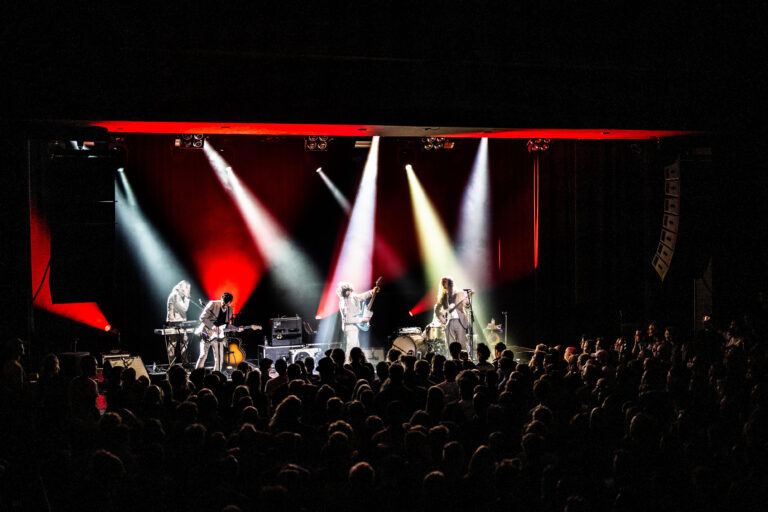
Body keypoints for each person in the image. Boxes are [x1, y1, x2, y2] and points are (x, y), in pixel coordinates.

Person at [196, 292, 242, 372]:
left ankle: (216, 375)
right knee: (203, 355)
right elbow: (202, 318)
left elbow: (227, 325)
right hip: (207, 332)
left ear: (230, 303)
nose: (224, 306)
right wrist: (214, 327)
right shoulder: (212, 304)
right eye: (223, 303)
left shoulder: (230, 309)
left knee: (219, 358)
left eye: (226, 304)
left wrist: (236, 328)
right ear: (221, 299)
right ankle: (197, 374)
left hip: (218, 336)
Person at [337, 281, 380, 357]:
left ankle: (353, 364)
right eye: (348, 290)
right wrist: (362, 319)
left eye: (350, 290)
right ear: (345, 292)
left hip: (354, 326)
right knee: (351, 348)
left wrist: (372, 292)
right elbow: (347, 319)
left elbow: (362, 296)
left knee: (356, 347)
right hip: (350, 327)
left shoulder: (352, 297)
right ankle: (347, 364)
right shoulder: (344, 303)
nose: (350, 292)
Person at [434, 276, 470, 352]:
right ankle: (452, 361)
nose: (443, 283)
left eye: (445, 282)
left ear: (450, 283)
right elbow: (437, 309)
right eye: (442, 282)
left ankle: (463, 361)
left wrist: (467, 303)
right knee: (450, 345)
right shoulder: (443, 296)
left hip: (459, 321)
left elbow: (466, 305)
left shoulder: (460, 293)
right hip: (449, 322)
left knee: (462, 344)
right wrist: (442, 318)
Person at [166, 280, 191, 365]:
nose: (186, 293)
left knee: (184, 342)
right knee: (173, 344)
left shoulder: (177, 295)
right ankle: (172, 364)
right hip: (175, 323)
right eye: (185, 290)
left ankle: (185, 362)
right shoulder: (175, 295)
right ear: (180, 287)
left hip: (180, 322)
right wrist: (187, 298)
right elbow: (184, 308)